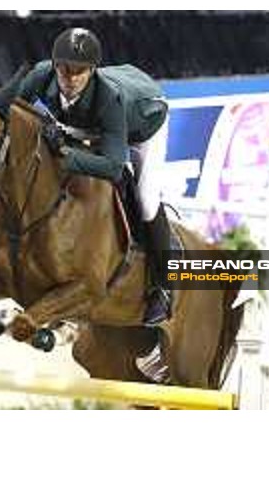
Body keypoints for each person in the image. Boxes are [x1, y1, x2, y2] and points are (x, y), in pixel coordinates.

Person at [17, 27, 172, 325]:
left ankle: (163, 287)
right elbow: (13, 111)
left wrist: (62, 154)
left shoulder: (109, 98)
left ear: (91, 71)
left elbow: (113, 166)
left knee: (146, 198)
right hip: (88, 124)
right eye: (64, 69)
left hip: (143, 121)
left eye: (79, 72)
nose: (70, 79)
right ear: (53, 65)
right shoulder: (41, 75)